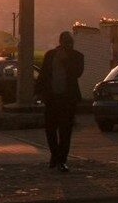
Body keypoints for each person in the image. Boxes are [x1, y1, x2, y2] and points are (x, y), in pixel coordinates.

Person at [35, 31, 84, 172]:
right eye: (66, 42)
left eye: (70, 42)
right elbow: (43, 74)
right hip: (52, 99)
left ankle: (62, 160)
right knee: (50, 129)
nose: (69, 44)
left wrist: (65, 60)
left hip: (68, 99)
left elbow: (77, 73)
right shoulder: (50, 55)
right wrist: (37, 92)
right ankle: (54, 154)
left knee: (65, 131)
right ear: (61, 42)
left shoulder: (77, 56)